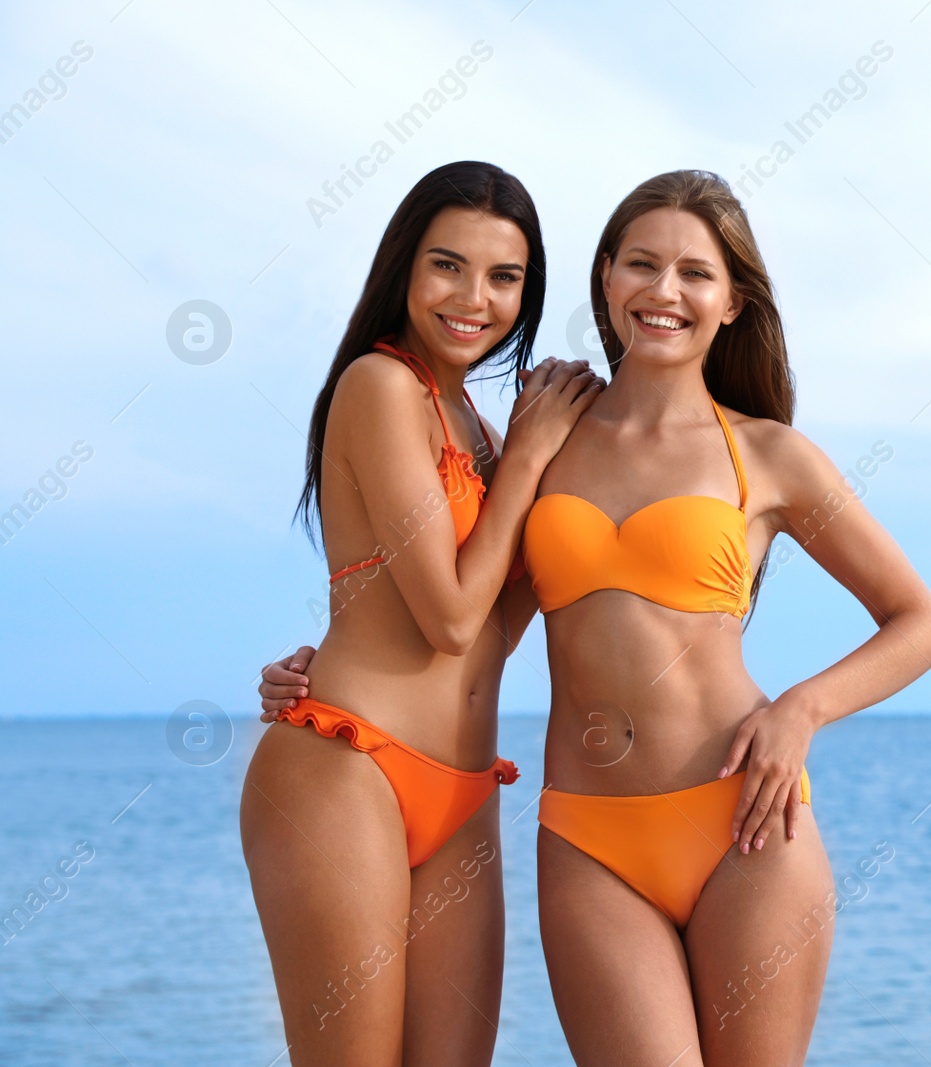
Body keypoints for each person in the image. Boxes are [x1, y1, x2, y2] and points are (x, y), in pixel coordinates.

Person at [260, 169, 931, 1066]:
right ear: (605, 279)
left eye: (696, 274)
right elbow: (465, 612)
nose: (665, 291)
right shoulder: (542, 441)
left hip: (743, 814)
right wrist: (335, 664)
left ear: (734, 301)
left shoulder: (768, 455)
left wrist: (802, 710)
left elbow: (918, 621)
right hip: (588, 838)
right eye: (642, 264)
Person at [240, 160, 603, 1067]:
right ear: (403, 266)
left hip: (465, 790)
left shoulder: (479, 423)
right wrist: (527, 460)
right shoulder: (379, 386)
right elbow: (446, 619)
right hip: (345, 767)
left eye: (504, 276)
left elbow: (495, 627)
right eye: (448, 265)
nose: (473, 297)